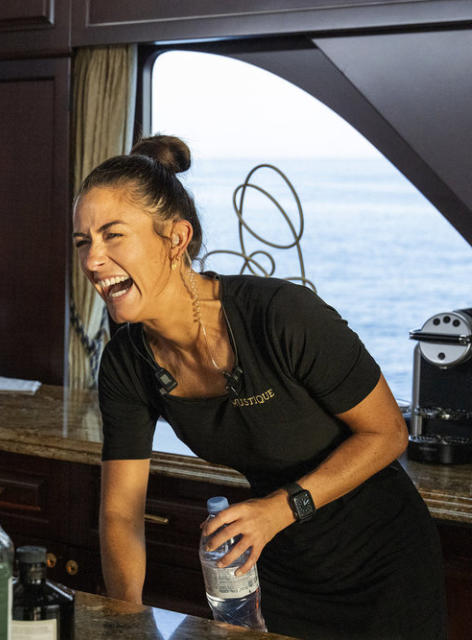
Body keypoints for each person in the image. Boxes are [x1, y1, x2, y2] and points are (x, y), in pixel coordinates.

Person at [73, 135, 446, 639]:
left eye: (113, 236)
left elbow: (387, 435)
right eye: (83, 242)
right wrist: (126, 622)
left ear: (177, 240)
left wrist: (279, 508)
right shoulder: (126, 362)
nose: (93, 261)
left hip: (382, 560)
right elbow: (120, 512)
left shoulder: (280, 316)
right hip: (281, 563)